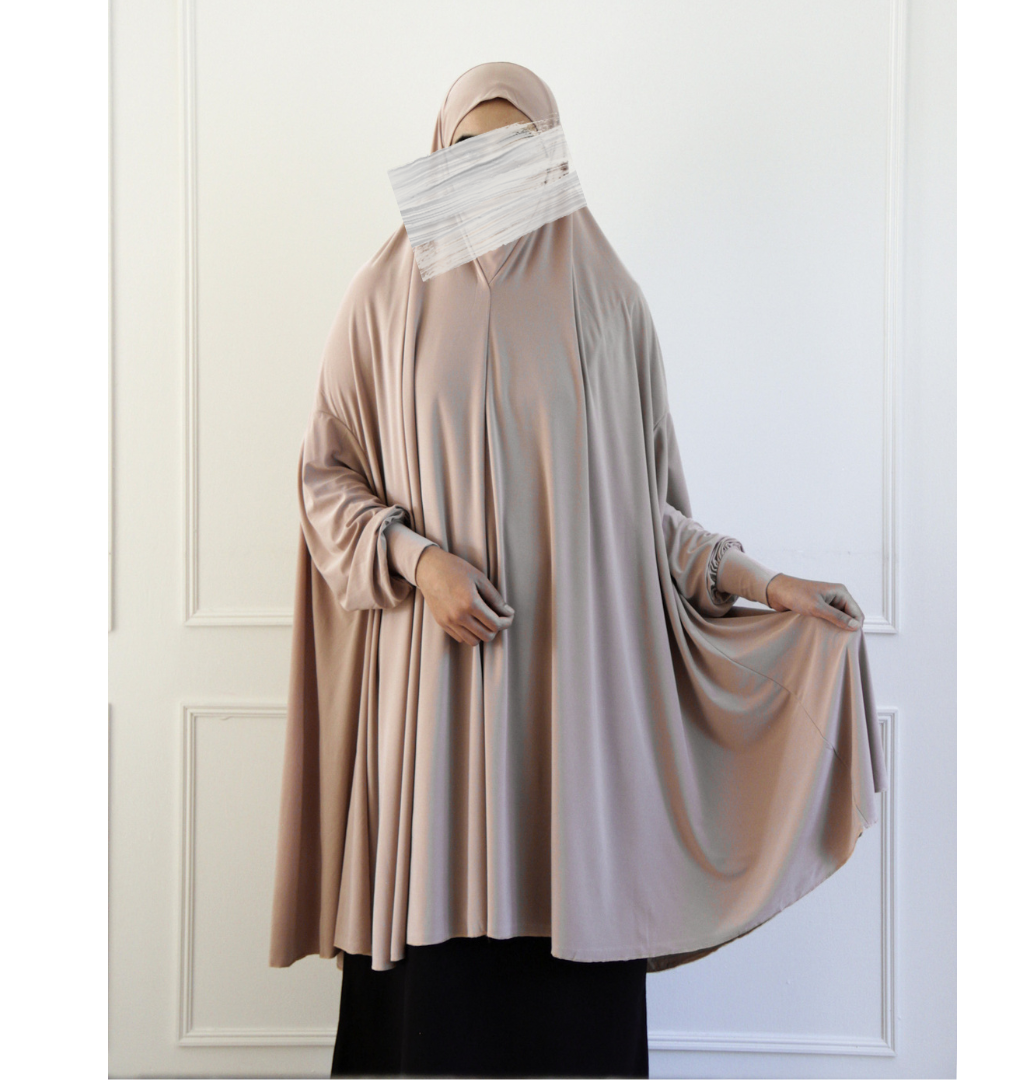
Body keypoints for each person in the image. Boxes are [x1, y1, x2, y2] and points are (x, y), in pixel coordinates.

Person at [270, 62, 886, 1079]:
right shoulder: (383, 296)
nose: (489, 172)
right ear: (439, 153)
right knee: (432, 1004)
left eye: (516, 150)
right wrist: (420, 563)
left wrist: (767, 584)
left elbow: (643, 520)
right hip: (430, 722)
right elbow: (324, 478)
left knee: (570, 964)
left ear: (552, 157)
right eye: (469, 151)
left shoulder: (606, 302)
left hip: (571, 720)